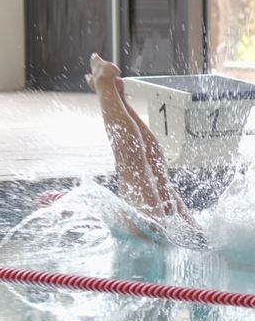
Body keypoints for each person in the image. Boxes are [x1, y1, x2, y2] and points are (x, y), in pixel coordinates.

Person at [84, 53, 207, 247]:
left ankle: (115, 94)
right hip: (194, 245)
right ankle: (106, 85)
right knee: (150, 226)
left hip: (196, 242)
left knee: (157, 175)